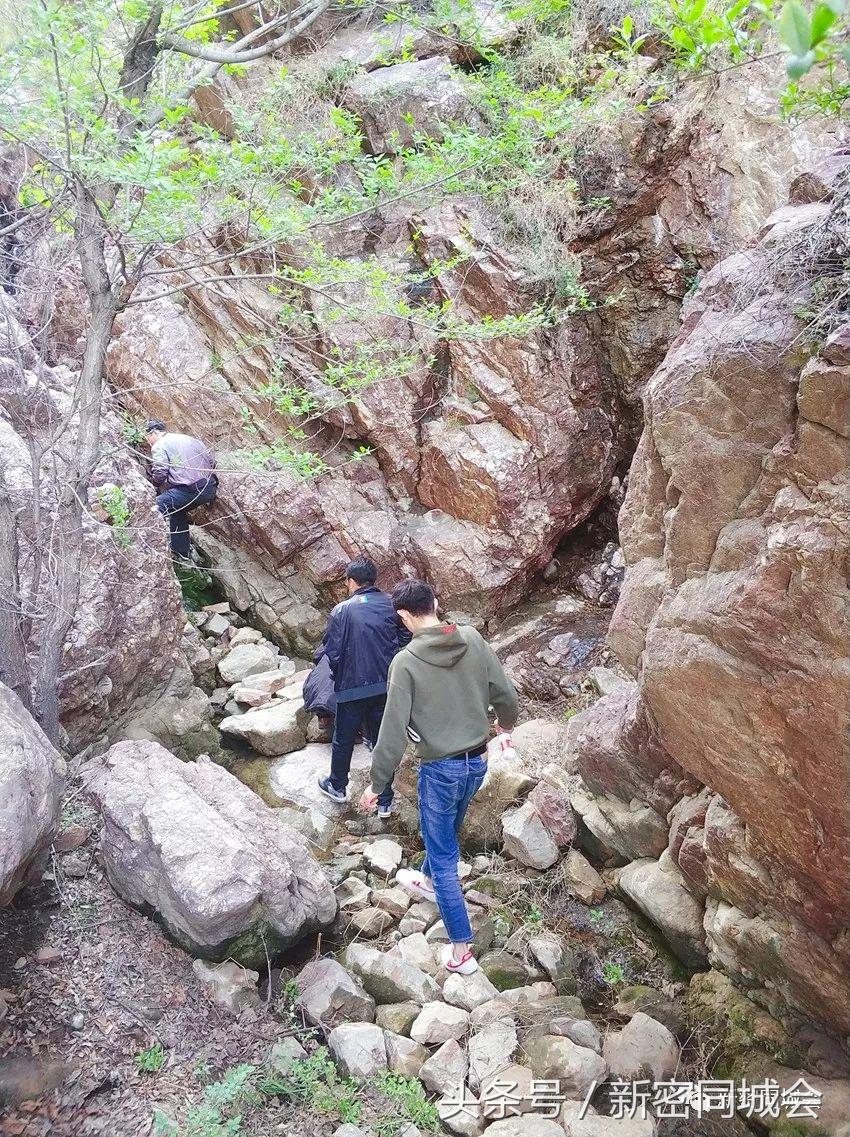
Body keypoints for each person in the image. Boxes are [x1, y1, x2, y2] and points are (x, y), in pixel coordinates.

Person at [359, 578, 518, 975]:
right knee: (445, 831)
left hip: (440, 767)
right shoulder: (472, 639)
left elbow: (391, 731)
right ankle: (428, 883)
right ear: (435, 603)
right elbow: (504, 691)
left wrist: (377, 785)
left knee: (445, 853)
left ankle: (461, 949)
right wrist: (506, 724)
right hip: (477, 761)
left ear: (403, 615)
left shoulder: (406, 662)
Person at [317, 555, 410, 817]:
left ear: (351, 582)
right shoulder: (391, 605)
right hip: (385, 685)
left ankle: (338, 786)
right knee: (382, 743)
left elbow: (332, 651)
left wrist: (339, 675)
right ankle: (385, 800)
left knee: (343, 739)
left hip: (352, 687)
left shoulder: (341, 610)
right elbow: (404, 637)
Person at [144, 420, 218, 564]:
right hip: (209, 487)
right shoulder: (189, 439)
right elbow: (211, 461)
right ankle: (182, 551)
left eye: (148, 437)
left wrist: (152, 487)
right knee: (176, 510)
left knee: (155, 506)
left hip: (190, 490)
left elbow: (160, 471)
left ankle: (152, 550)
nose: (148, 442)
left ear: (155, 433)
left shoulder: (160, 444)